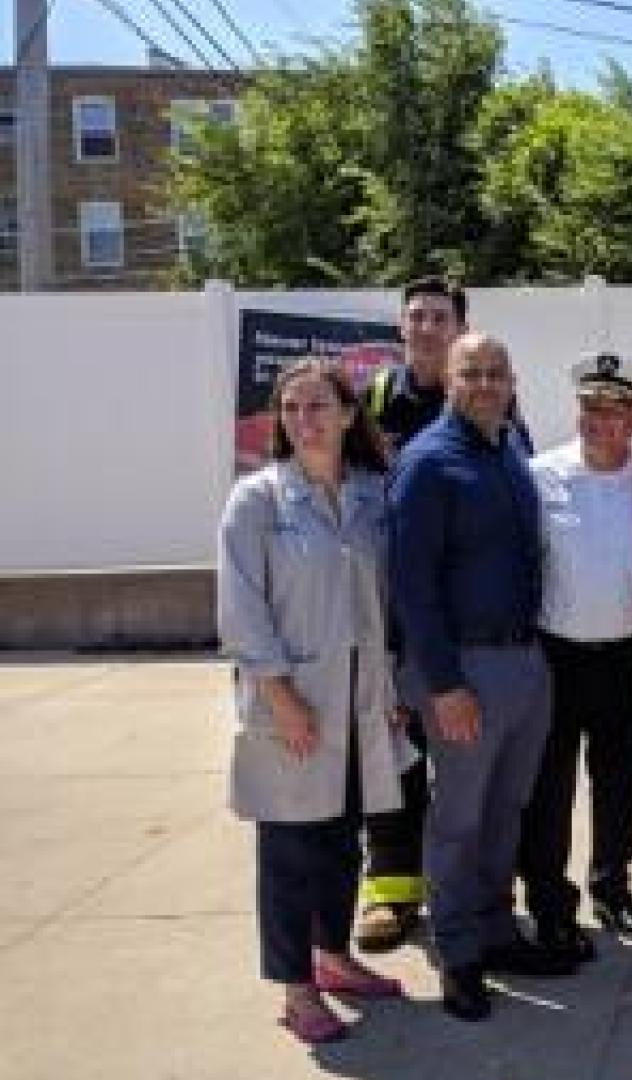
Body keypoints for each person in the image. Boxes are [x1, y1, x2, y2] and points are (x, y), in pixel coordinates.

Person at [217, 359, 411, 1043]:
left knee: (340, 844)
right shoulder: (259, 500)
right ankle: (298, 992)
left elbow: (380, 605)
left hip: (359, 706)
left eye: (319, 406)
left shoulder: (369, 495)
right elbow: (242, 614)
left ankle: (334, 959)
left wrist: (387, 692)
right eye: (292, 408)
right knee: (291, 852)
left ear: (349, 414)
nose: (305, 420)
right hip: (292, 706)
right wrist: (282, 698)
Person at [389, 332, 572, 1023]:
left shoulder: (511, 449)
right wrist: (442, 684)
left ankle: (496, 930)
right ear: (449, 380)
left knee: (506, 810)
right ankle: (459, 953)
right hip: (464, 669)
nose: (486, 383)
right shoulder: (428, 463)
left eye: (497, 372)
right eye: (472, 373)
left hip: (525, 663)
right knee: (459, 818)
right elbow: (411, 585)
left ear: (513, 379)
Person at [516, 352, 632, 964]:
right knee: (549, 785)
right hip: (555, 653)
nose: (599, 419)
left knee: (621, 779)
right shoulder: (539, 474)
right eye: (590, 406)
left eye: (615, 408)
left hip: (626, 653)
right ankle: (550, 901)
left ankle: (612, 883)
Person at [353, 276, 465, 954]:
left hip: (462, 620)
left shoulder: (484, 397)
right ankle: (392, 892)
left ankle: (467, 887)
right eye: (416, 316)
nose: (426, 327)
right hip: (389, 617)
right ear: (401, 327)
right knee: (394, 757)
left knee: (465, 766)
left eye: (439, 317)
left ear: (457, 328)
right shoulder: (369, 402)